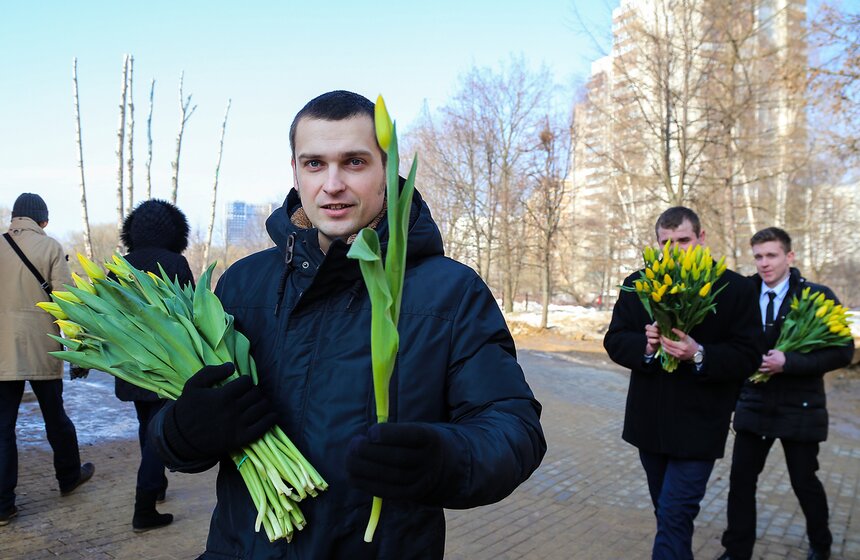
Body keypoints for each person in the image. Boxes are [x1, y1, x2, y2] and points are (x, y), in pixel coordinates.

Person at [149, 90, 547, 559]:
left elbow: (512, 425)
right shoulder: (243, 284)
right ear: (295, 171)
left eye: (354, 162)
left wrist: (447, 458)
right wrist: (182, 432)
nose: (332, 184)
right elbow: (169, 427)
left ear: (386, 171)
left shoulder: (450, 292)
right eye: (314, 164)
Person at [603, 206, 760, 560]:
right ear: (657, 243)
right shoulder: (639, 283)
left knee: (675, 515)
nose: (675, 250)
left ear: (702, 238)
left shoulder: (734, 289)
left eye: (684, 240)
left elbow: (748, 354)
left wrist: (699, 353)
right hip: (650, 426)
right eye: (666, 243)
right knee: (668, 515)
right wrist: (644, 346)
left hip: (700, 427)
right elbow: (614, 340)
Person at [717, 227, 853, 560]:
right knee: (741, 483)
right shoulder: (743, 292)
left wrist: (788, 361)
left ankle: (821, 545)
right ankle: (737, 552)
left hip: (800, 407)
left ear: (789, 257)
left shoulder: (816, 297)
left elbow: (842, 352)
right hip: (754, 402)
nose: (764, 263)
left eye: (772, 255)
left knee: (804, 482)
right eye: (759, 256)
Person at [0, 193, 95, 527]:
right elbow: (67, 304)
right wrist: (77, 349)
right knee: (55, 417)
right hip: (43, 346)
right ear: (42, 220)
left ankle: (3, 505)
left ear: (14, 219)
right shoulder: (51, 247)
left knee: (2, 428)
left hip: (1, 352)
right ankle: (69, 476)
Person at [116, 199, 194, 532]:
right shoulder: (175, 263)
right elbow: (193, 313)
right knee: (156, 432)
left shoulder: (121, 266)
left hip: (131, 363)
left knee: (146, 425)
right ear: (174, 231)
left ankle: (157, 485)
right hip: (167, 364)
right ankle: (144, 508)